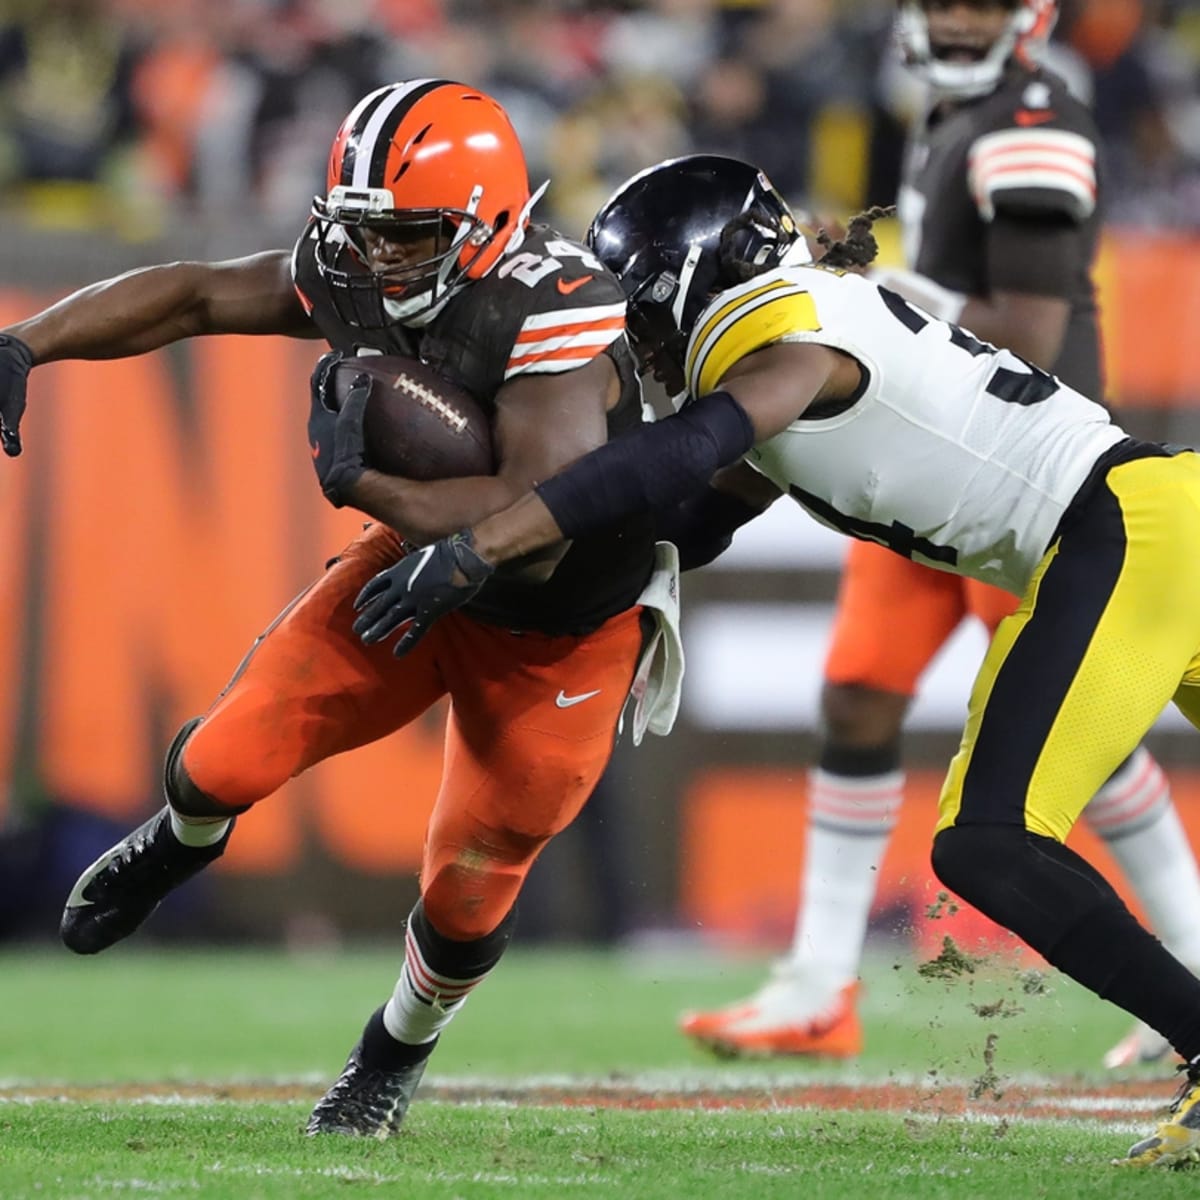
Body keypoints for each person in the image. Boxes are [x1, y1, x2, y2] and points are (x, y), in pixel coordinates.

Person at [351, 152, 1200, 1168]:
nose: (636, 344)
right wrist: (509, 560)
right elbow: (690, 518)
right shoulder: (795, 339)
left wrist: (484, 541)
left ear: (691, 280)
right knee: (990, 838)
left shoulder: (785, 328)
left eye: (642, 308)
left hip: (1125, 532)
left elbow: (676, 454)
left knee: (991, 841)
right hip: (1147, 527)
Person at [0, 78, 683, 1138]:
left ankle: (390, 1054)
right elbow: (193, 294)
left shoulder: (556, 307)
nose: (377, 261)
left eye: (408, 236)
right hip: (414, 565)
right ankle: (185, 833)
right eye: (362, 234)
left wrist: (368, 484)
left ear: (487, 223)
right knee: (221, 757)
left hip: (561, 624)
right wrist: (28, 342)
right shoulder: (355, 261)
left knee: (471, 881)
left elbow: (530, 514)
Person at [679, 0, 1200, 1070]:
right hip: (928, 476)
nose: (959, 18)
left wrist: (870, 294)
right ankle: (820, 983)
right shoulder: (942, 111)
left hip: (1024, 479)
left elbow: (1027, 328)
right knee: (861, 693)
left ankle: (1184, 973)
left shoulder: (1033, 117)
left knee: (1063, 749)